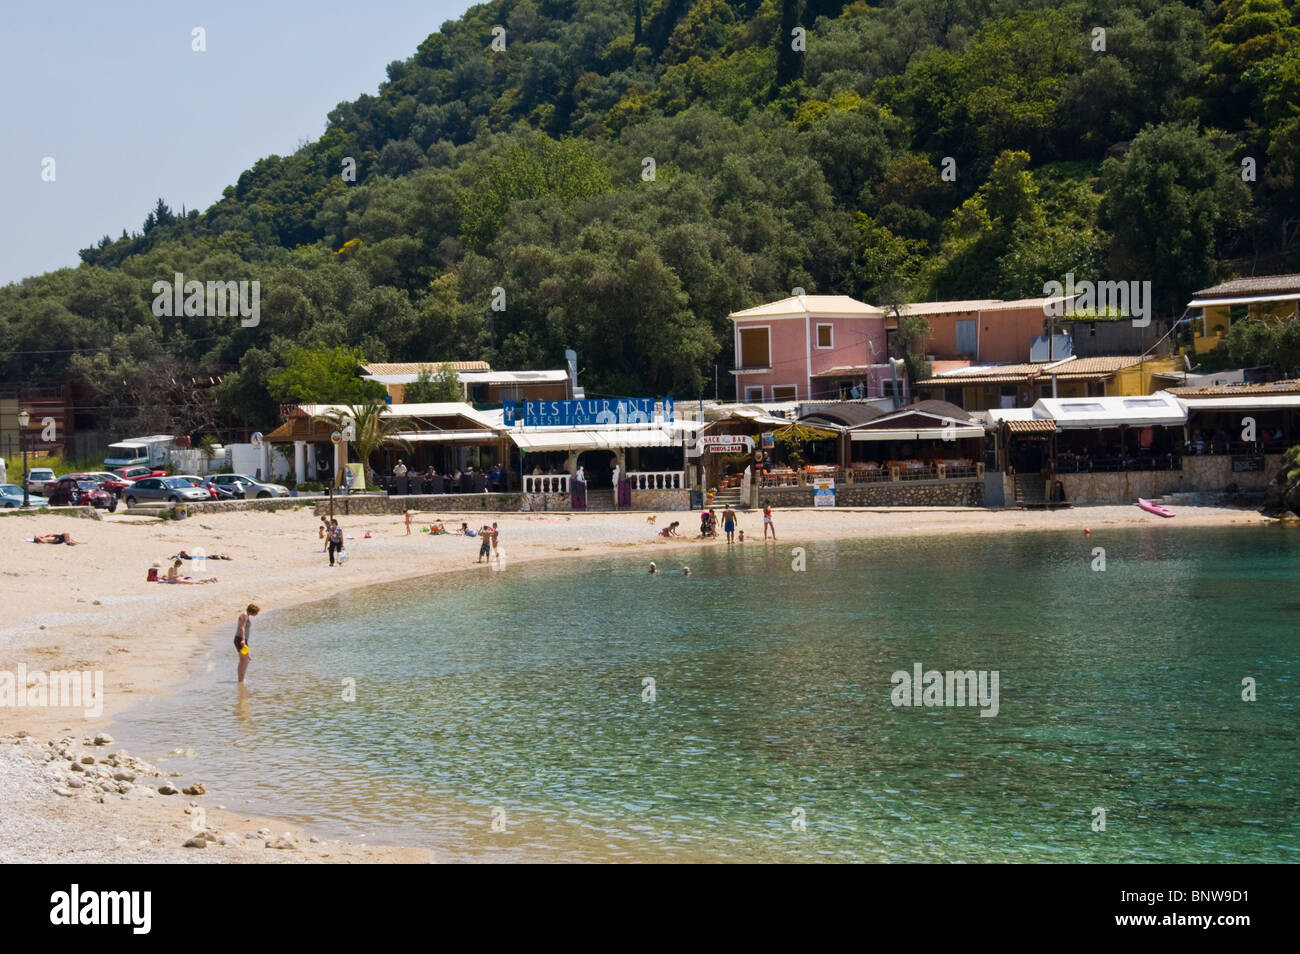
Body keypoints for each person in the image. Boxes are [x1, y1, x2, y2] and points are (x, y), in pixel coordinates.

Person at [234, 603, 260, 684]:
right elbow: (242, 628)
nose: (257, 614)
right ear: (253, 611)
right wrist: (243, 640)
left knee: (243, 660)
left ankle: (240, 680)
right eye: (256, 612)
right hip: (240, 639)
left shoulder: (246, 615)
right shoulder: (244, 615)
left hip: (240, 639)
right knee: (246, 660)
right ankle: (241, 680)